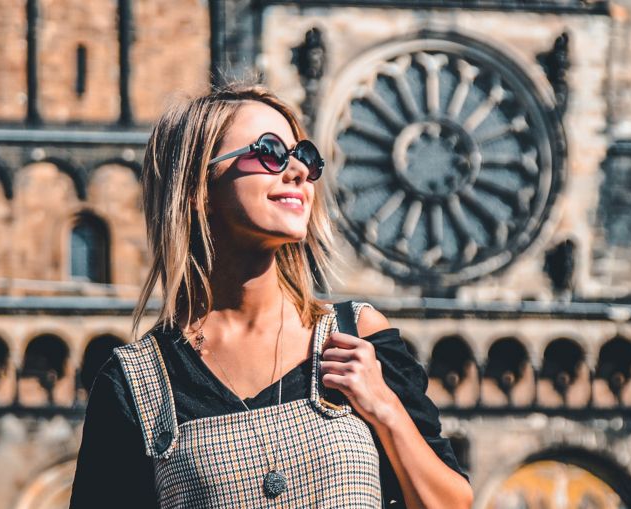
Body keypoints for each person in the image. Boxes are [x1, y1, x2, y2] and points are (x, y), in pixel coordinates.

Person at [70, 84, 472, 508]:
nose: (297, 169)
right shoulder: (136, 382)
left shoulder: (358, 335)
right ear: (197, 188)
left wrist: (385, 409)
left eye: (305, 156)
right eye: (269, 151)